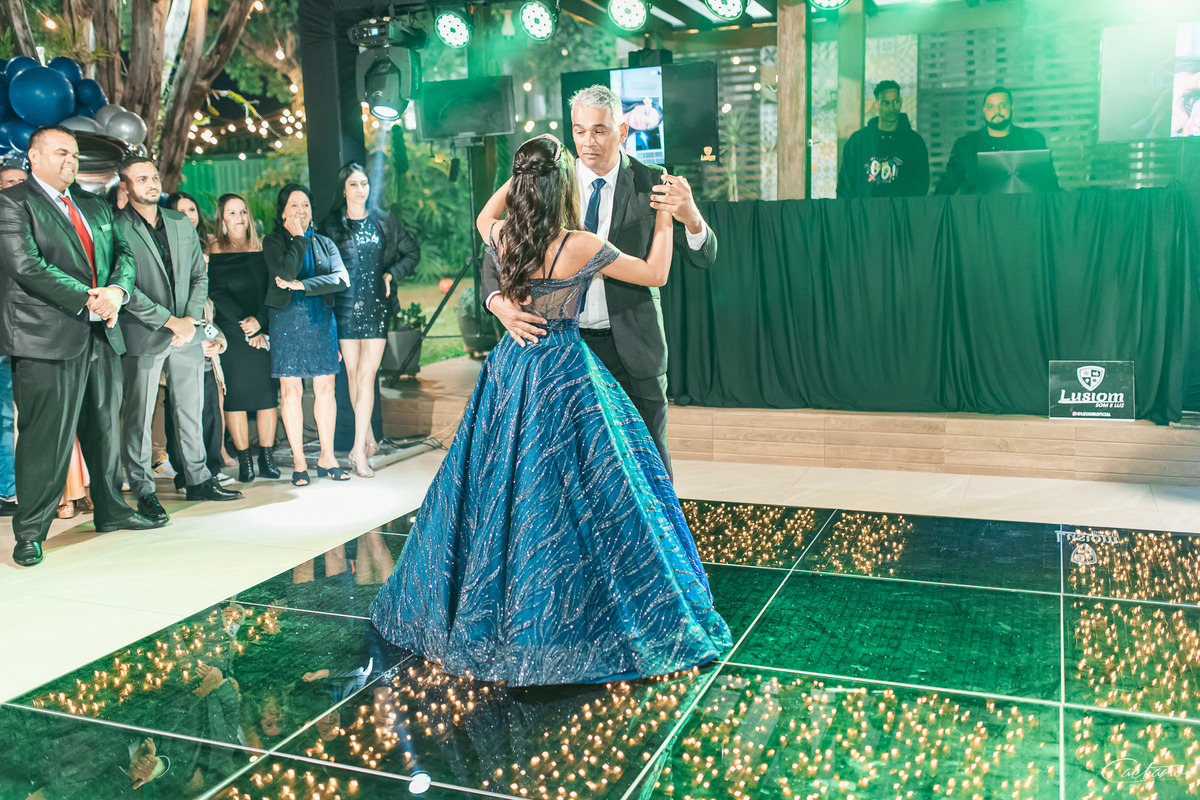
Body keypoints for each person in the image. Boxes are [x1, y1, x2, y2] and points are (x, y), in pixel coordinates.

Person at [370, 134, 731, 686]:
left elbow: (484, 216)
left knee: (506, 483)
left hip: (512, 369)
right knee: (584, 485)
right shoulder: (579, 245)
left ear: (521, 186)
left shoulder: (503, 234)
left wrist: (522, 174)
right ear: (562, 186)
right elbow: (656, 273)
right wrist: (664, 219)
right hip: (564, 368)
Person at [482, 85, 718, 480]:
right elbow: (500, 248)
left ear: (622, 131)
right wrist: (496, 300)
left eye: (599, 131)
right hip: (560, 349)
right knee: (571, 469)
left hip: (632, 347)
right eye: (579, 131)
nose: (587, 142)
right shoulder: (549, 179)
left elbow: (703, 257)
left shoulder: (652, 182)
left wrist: (692, 218)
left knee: (647, 463)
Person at [0, 125, 165, 567]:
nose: (70, 161)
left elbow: (124, 256)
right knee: (45, 438)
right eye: (60, 153)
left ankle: (111, 510)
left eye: (73, 154)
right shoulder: (12, 203)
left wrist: (117, 292)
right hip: (45, 339)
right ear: (34, 157)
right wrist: (91, 299)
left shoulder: (94, 205)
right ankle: (30, 532)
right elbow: (26, 265)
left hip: (101, 333)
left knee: (106, 430)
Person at [115, 156, 241, 522]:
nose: (152, 183)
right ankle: (144, 490)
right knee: (139, 417)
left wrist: (189, 320)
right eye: (142, 179)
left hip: (188, 331)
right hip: (144, 332)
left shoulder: (179, 222)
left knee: (191, 410)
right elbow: (123, 286)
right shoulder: (115, 227)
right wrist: (170, 322)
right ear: (125, 187)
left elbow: (200, 276)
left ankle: (198, 479)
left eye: (154, 177)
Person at [319, 162, 420, 477]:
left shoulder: (384, 220)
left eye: (364, 183)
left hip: (376, 306)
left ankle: (358, 451)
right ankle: (369, 436)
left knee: (366, 375)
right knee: (353, 375)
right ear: (343, 189)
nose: (360, 189)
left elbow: (412, 252)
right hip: (345, 309)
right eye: (353, 184)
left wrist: (391, 273)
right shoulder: (330, 226)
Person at [264, 183, 351, 486]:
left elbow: (341, 278)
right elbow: (285, 273)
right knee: (291, 392)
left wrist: (303, 286)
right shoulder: (273, 242)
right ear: (283, 212)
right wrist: (299, 239)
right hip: (286, 321)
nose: (301, 211)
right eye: (294, 205)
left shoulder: (326, 243)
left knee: (326, 389)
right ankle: (299, 461)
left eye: (305, 205)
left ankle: (328, 457)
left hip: (320, 321)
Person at [207, 193, 282, 483]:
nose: (238, 218)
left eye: (242, 212)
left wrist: (260, 323)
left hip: (262, 329)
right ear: (222, 219)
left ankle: (267, 457)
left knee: (266, 396)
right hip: (233, 333)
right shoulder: (215, 248)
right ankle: (245, 460)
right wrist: (245, 324)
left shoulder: (263, 247)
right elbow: (216, 291)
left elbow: (272, 288)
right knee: (235, 398)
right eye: (231, 213)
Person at [163, 191, 234, 484]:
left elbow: (211, 314)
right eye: (181, 211)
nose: (188, 216)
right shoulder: (166, 253)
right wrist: (197, 337)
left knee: (210, 411)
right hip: (178, 345)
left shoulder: (208, 251)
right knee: (181, 413)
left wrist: (216, 339)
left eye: (192, 210)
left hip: (205, 344)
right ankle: (185, 474)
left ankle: (211, 470)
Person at [935, 85, 1060, 195]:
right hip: (977, 212)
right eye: (991, 107)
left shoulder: (1034, 141)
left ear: (1012, 107)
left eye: (1002, 105)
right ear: (984, 110)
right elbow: (947, 185)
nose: (997, 111)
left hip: (1025, 211)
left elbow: (1050, 185)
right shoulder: (965, 146)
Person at [837, 80, 930, 198]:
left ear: (901, 102)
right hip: (864, 210)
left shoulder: (914, 142)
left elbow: (920, 186)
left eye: (895, 102)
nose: (892, 108)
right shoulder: (858, 141)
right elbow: (845, 185)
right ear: (876, 105)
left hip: (901, 210)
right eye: (886, 103)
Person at [0, 161, 25, 517]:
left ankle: (10, 490)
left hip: (23, 332)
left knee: (14, 416)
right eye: (9, 182)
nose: (17, 187)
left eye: (22, 181)